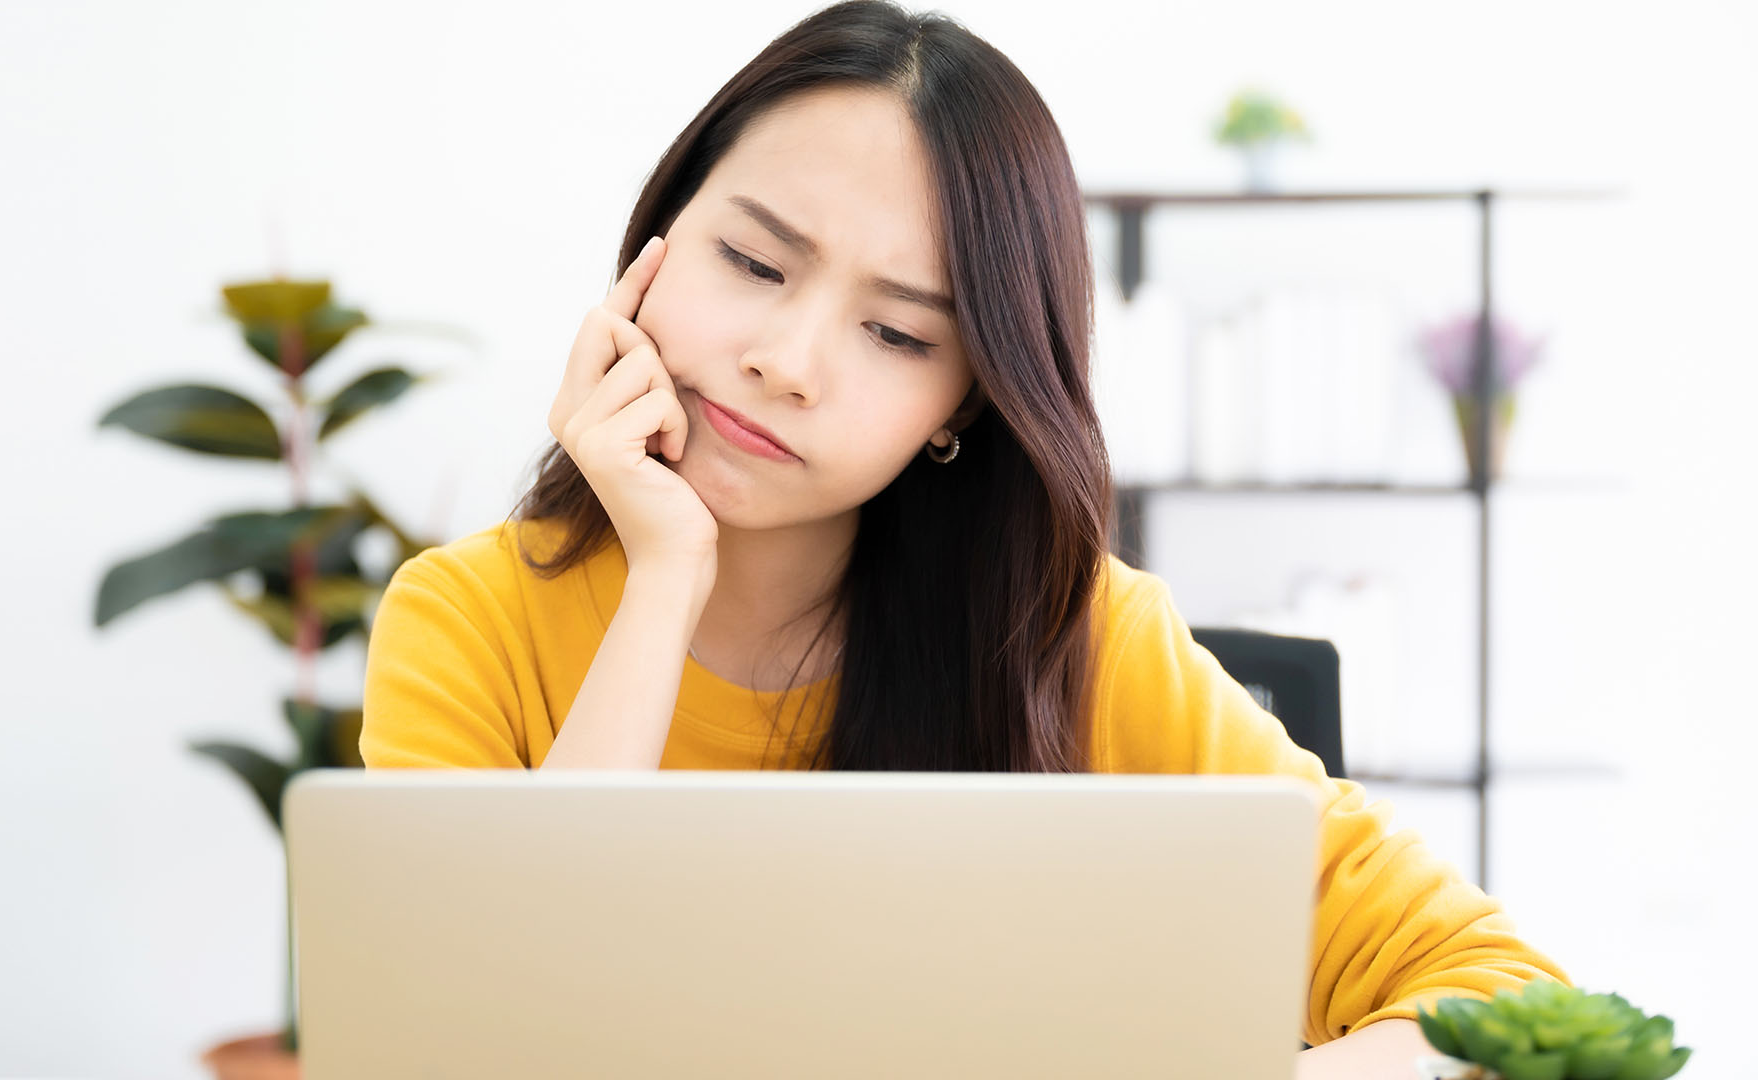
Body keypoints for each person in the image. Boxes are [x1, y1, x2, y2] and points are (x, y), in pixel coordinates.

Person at [359, 1, 1570, 1073]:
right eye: (750, 260)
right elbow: (484, 1047)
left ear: (964, 405)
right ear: (652, 244)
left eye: (898, 336)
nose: (786, 362)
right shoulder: (467, 621)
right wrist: (666, 574)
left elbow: (1511, 997)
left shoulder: (1068, 637)